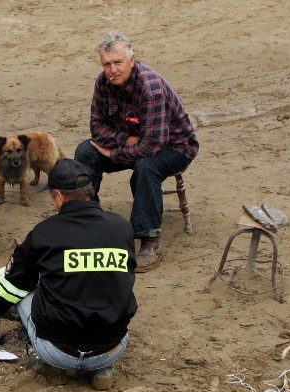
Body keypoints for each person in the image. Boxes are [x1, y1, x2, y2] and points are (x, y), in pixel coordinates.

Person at [0, 159, 137, 390]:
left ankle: (52, 367)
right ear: (89, 192)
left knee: (21, 288)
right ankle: (101, 368)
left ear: (59, 196)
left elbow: (8, 290)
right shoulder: (122, 227)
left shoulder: (44, 234)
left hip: (59, 352)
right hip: (112, 348)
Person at [74, 30, 199, 272]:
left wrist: (114, 154)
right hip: (132, 141)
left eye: (118, 62)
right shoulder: (102, 82)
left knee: (146, 166)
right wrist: (126, 139)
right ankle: (89, 222)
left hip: (174, 146)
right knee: (85, 151)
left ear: (132, 60)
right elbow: (96, 128)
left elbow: (152, 146)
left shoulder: (150, 87)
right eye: (107, 64)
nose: (112, 70)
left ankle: (149, 240)